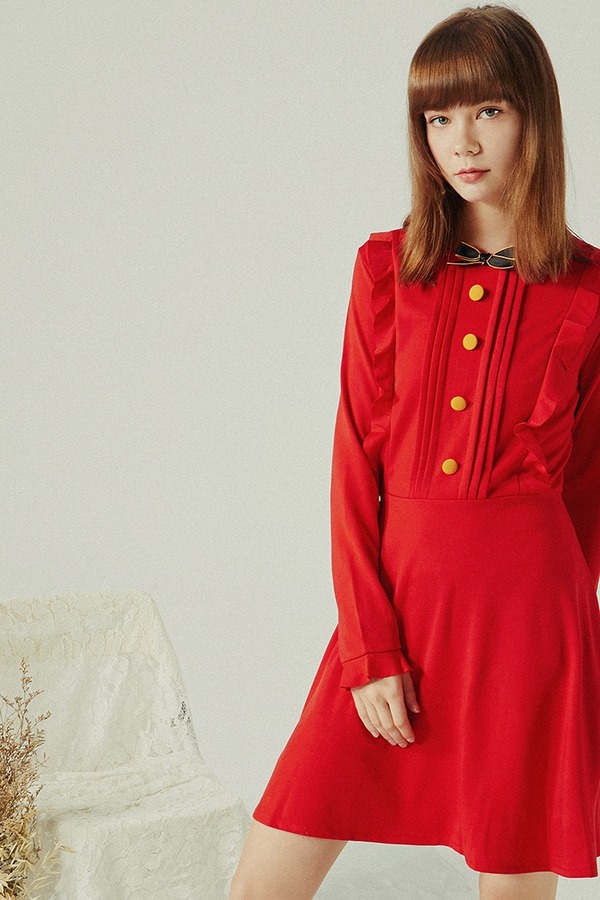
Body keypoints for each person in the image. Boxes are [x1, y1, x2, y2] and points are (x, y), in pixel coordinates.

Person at [230, 5, 600, 899]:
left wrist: (561, 656)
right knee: (263, 881)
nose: (460, 142)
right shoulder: (385, 270)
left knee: (511, 885)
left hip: (528, 629)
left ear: (535, 117)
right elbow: (352, 466)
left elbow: (589, 496)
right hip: (395, 609)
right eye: (438, 118)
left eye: (487, 111)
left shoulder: (591, 290)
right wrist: (368, 651)